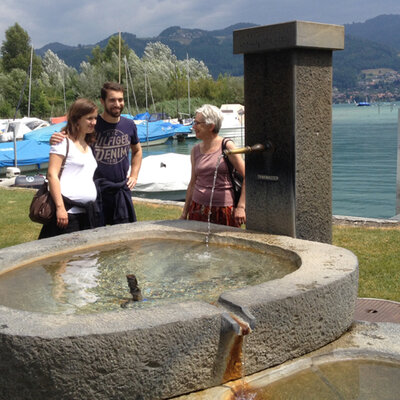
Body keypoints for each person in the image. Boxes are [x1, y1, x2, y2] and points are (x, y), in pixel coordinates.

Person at [50, 82, 142, 225]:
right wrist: (57, 137)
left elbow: (137, 150)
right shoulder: (92, 123)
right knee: (98, 237)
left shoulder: (129, 125)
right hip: (97, 192)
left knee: (125, 237)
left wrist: (134, 175)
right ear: (102, 101)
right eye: (112, 100)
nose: (117, 104)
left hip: (121, 191)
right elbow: (71, 136)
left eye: (120, 99)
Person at [39, 98, 101, 239]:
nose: (94, 122)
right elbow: (52, 175)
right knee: (66, 258)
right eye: (89, 118)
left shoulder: (88, 145)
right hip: (68, 213)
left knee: (86, 257)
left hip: (87, 213)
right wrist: (60, 208)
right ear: (77, 119)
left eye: (95, 118)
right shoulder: (62, 142)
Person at [180, 104, 246, 227]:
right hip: (197, 208)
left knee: (224, 245)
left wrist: (241, 206)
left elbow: (247, 175)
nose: (193, 127)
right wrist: (184, 213)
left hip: (224, 210)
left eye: (197, 123)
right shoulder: (195, 150)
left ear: (211, 126)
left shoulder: (227, 146)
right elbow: (193, 183)